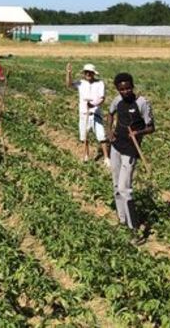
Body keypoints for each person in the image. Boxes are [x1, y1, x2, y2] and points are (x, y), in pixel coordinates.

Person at [106, 72, 154, 234]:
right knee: (115, 186)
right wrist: (109, 132)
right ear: (118, 89)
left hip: (131, 149)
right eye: (122, 89)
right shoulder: (117, 100)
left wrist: (138, 133)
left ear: (132, 87)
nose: (125, 92)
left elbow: (151, 127)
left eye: (128, 88)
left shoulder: (142, 103)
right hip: (116, 146)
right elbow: (110, 114)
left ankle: (133, 227)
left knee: (125, 188)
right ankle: (122, 220)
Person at [65, 62, 110, 165]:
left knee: (101, 136)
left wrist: (93, 104)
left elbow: (102, 98)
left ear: (94, 73)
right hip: (83, 114)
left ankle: (106, 158)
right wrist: (68, 73)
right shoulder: (81, 83)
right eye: (86, 72)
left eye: (90, 72)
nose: (88, 74)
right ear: (84, 73)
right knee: (84, 137)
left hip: (96, 114)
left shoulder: (100, 83)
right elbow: (69, 85)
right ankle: (86, 156)